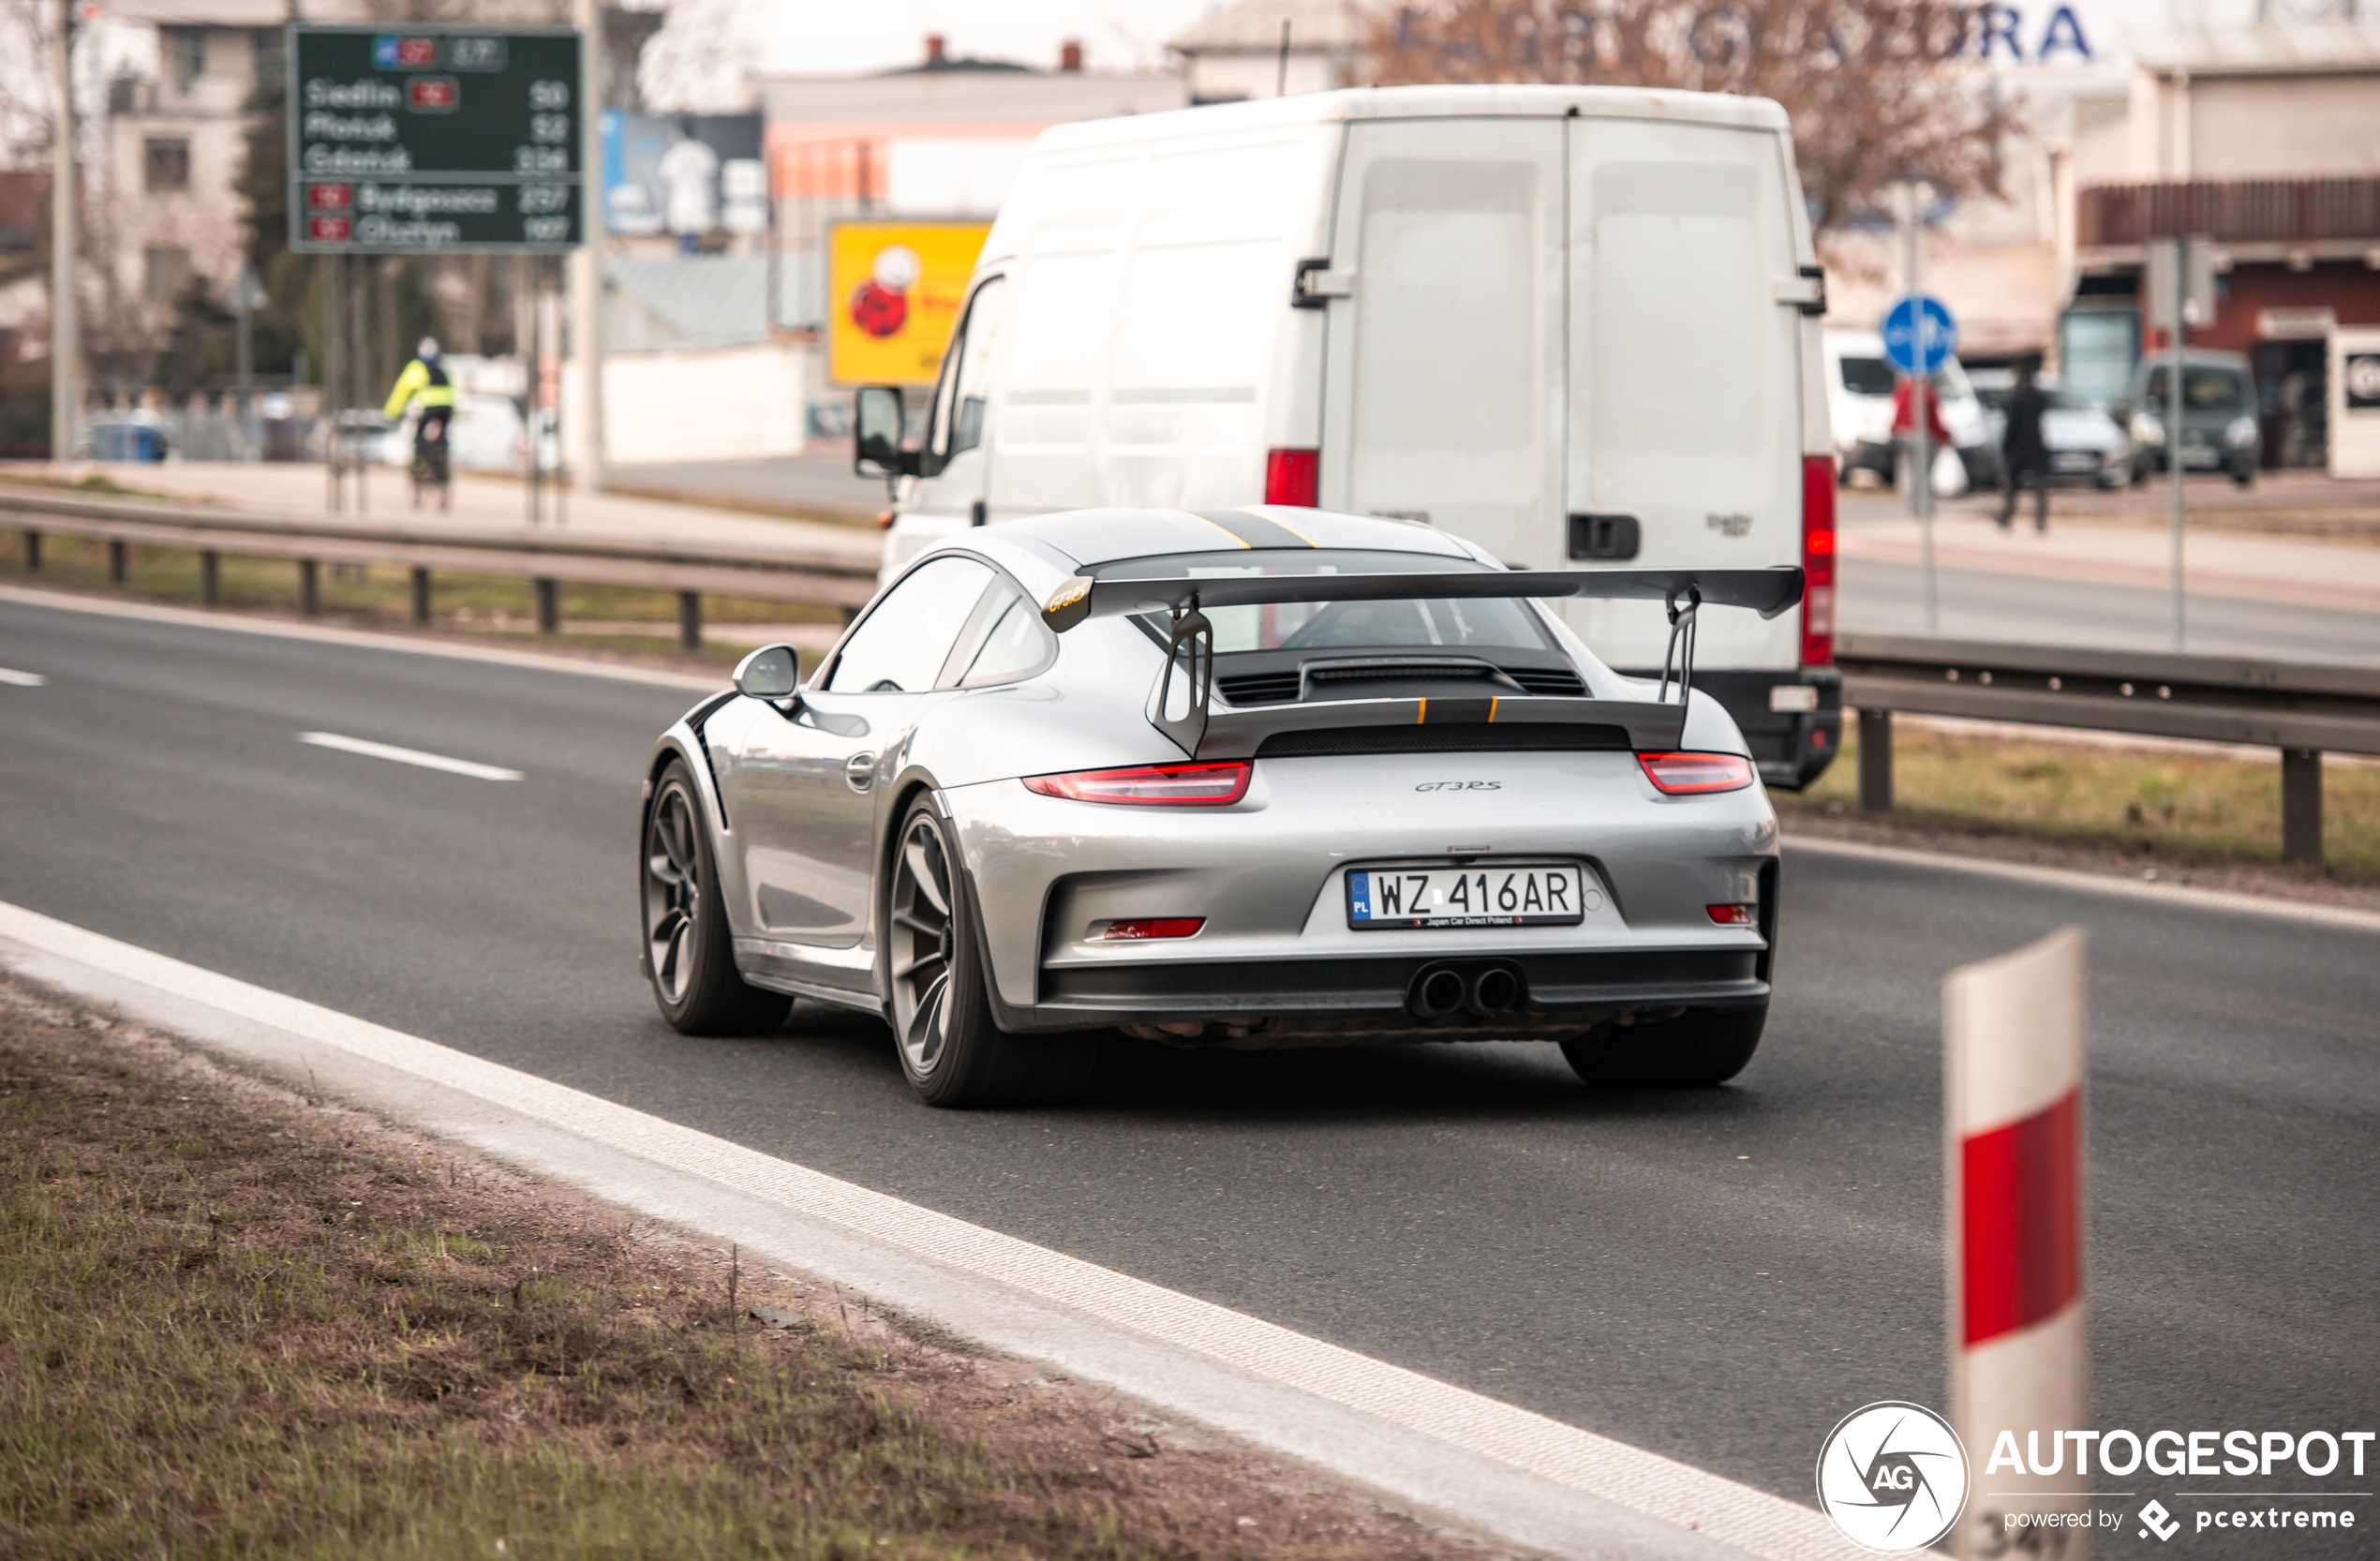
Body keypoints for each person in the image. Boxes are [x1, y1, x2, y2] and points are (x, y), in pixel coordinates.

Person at [384, 336, 455, 508]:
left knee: (418, 440)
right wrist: (453, 412)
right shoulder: (444, 366)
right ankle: (442, 476)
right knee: (442, 442)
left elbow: (401, 391)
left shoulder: (416, 368)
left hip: (426, 409)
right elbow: (455, 391)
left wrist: (391, 412)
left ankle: (421, 466)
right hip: (445, 411)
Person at [1996, 360, 2051, 532]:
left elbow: (2011, 426)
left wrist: (2006, 446)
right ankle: (2040, 522)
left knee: (2012, 486)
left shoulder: (2016, 398)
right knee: (2040, 486)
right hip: (2036, 445)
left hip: (2018, 447)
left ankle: (2006, 517)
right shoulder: (2038, 397)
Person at [1890, 371, 1953, 497]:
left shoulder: (1903, 392)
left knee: (1913, 473)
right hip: (1925, 437)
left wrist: (1894, 431)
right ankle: (1924, 506)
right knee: (1923, 474)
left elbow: (1897, 415)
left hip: (1906, 436)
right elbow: (1934, 420)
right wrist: (1944, 436)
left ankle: (1915, 506)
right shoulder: (1927, 394)